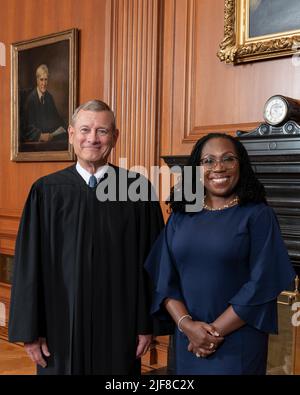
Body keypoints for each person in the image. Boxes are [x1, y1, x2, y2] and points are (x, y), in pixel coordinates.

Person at [9, 99, 167, 375]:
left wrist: (147, 325)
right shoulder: (46, 192)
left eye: (102, 131)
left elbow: (154, 264)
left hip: (120, 326)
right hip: (57, 327)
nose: (92, 139)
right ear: (71, 135)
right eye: (84, 130)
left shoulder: (137, 190)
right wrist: (30, 330)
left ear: (115, 137)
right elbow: (28, 266)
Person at [145, 132, 296, 375]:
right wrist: (188, 326)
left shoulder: (258, 215)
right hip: (187, 339)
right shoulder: (181, 216)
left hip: (237, 340)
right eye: (209, 161)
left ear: (241, 165)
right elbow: (165, 278)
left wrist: (211, 332)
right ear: (197, 168)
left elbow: (261, 283)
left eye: (228, 159)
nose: (219, 167)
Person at [21, 64, 67, 143]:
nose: (44, 83)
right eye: (41, 80)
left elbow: (56, 119)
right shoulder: (31, 99)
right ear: (37, 80)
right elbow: (26, 127)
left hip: (49, 140)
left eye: (46, 80)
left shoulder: (49, 97)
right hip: (35, 143)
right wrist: (40, 135)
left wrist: (65, 126)